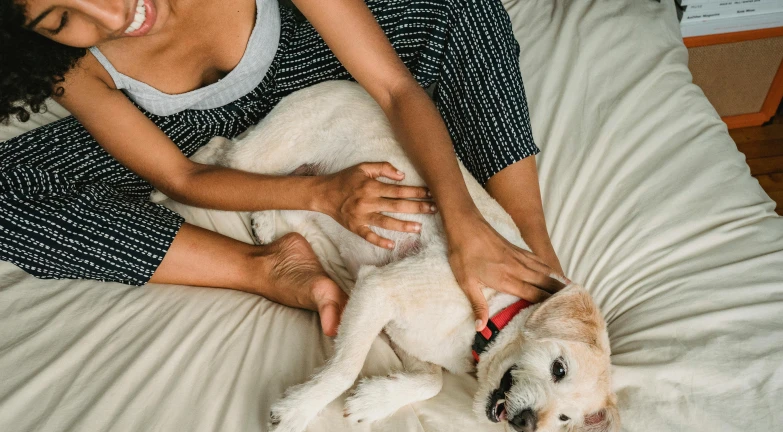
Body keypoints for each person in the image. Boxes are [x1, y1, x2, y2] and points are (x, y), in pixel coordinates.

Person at [0, 0, 565, 337]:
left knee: (460, 5)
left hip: (311, 58)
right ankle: (262, 266)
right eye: (59, 18)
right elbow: (183, 179)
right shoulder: (69, 64)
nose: (113, 14)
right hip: (193, 136)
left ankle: (525, 244)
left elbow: (394, 90)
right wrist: (319, 194)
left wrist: (466, 223)